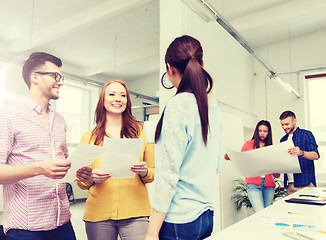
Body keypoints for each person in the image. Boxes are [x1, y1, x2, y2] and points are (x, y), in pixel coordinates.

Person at [0, 52, 77, 240]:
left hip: (62, 221)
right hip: (26, 226)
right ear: (35, 77)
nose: (60, 82)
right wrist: (39, 168)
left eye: (61, 77)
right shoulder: (6, 116)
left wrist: (78, 170)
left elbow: (61, 161)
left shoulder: (60, 120)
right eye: (55, 76)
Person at [145, 35, 222, 240]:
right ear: (202, 64)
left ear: (170, 69)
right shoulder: (212, 106)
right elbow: (215, 165)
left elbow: (167, 174)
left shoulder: (178, 105)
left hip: (179, 220)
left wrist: (152, 231)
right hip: (205, 216)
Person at [76, 79, 155, 240]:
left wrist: (145, 171)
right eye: (111, 94)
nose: (118, 98)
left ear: (127, 101)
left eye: (123, 95)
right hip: (99, 213)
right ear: (102, 101)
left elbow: (153, 172)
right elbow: (80, 180)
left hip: (135, 212)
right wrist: (91, 177)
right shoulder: (89, 137)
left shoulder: (142, 132)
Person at [225, 120, 280, 213]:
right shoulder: (248, 145)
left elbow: (277, 175)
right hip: (253, 185)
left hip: (269, 186)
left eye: (265, 131)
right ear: (256, 131)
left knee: (266, 214)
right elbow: (241, 161)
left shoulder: (272, 147)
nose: (262, 133)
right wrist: (232, 158)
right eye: (260, 131)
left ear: (269, 132)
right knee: (260, 213)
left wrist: (274, 168)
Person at [279, 110, 320, 195]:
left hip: (306, 184)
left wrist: (302, 153)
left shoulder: (306, 134)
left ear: (294, 121)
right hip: (290, 185)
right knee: (291, 209)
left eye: (287, 124)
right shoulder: (283, 140)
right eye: (282, 125)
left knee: (308, 208)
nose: (284, 127)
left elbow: (316, 155)